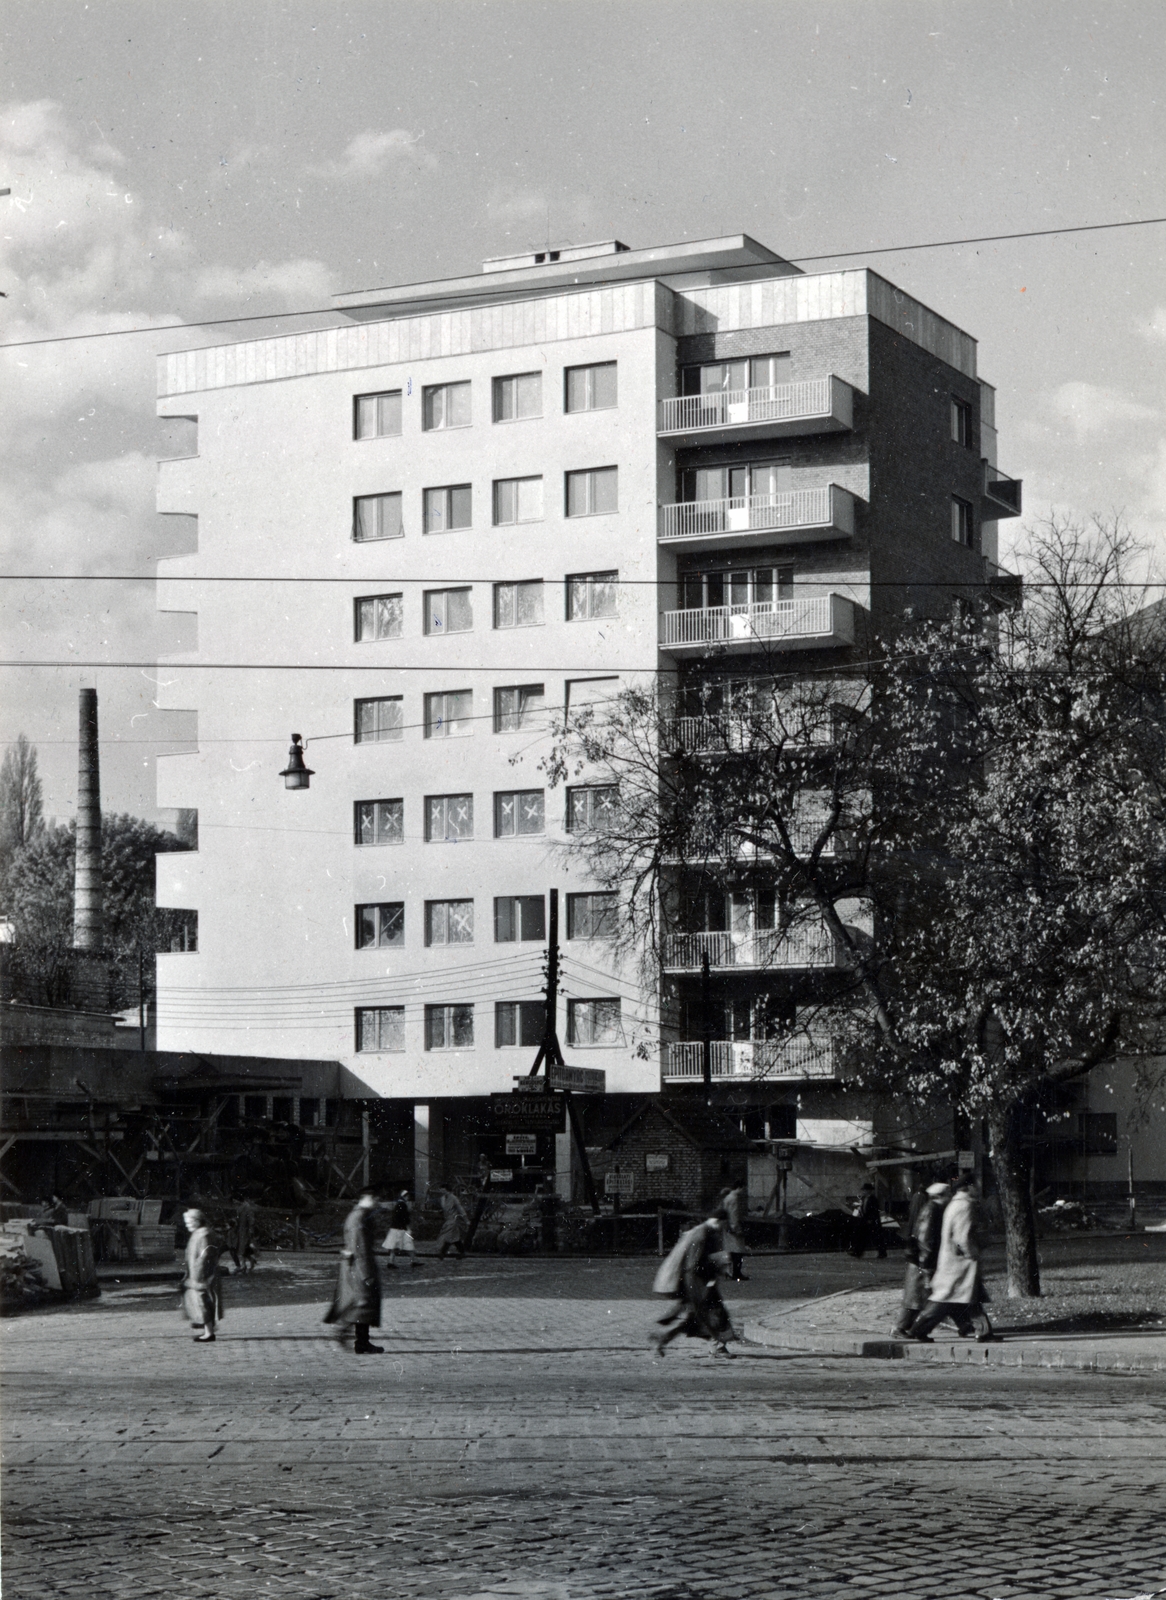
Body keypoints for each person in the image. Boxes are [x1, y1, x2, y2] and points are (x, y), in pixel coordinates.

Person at [910, 1177, 1000, 1343]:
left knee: (968, 1297)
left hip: (953, 1262)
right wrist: (972, 1254)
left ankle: (984, 1332)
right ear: (967, 1187)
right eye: (975, 1186)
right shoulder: (965, 1206)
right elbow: (962, 1236)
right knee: (946, 1300)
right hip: (959, 1263)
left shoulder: (954, 1204)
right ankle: (919, 1329)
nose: (978, 1189)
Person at [651, 1208, 738, 1357]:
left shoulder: (705, 1232)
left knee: (696, 1319)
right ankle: (718, 1348)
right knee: (713, 1315)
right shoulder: (702, 1234)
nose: (724, 1228)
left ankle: (663, 1339)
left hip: (698, 1283)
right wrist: (714, 1269)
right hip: (699, 1284)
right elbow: (695, 1264)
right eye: (724, 1224)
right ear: (719, 1221)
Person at [323, 1190, 384, 1353]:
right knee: (362, 1302)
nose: (378, 1202)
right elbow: (360, 1247)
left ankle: (362, 1342)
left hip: (356, 1266)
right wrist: (366, 1274)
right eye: (375, 1198)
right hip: (359, 1267)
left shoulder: (360, 1214)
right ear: (367, 1198)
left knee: (365, 1304)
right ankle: (342, 1331)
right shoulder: (359, 1217)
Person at [892, 1181, 950, 1338]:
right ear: (940, 1196)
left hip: (922, 1260)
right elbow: (926, 1238)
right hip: (922, 1261)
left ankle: (903, 1327)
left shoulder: (933, 1208)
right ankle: (903, 1328)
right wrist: (926, 1262)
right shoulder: (933, 1209)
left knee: (917, 1297)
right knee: (918, 1298)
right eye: (947, 1195)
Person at [181, 1208, 224, 1343]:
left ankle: (209, 1332)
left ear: (197, 1221)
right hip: (198, 1274)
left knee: (203, 1302)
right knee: (202, 1302)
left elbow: (206, 1256)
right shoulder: (200, 1233)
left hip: (201, 1275)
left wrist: (199, 1276)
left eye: (189, 1222)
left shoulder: (202, 1234)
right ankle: (207, 1328)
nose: (187, 1225)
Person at [849, 1182, 887, 1258]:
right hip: (865, 1220)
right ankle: (858, 1252)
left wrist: (871, 1219)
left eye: (865, 1190)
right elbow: (864, 1209)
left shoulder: (873, 1199)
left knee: (877, 1237)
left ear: (869, 1191)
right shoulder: (864, 1199)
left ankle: (882, 1253)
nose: (864, 1191)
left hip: (872, 1221)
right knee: (861, 1236)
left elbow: (874, 1210)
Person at [721, 1182, 749, 1281]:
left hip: (726, 1226)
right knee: (738, 1251)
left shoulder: (727, 1198)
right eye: (743, 1189)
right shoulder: (734, 1199)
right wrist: (736, 1227)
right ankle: (737, 1272)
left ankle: (730, 1271)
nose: (743, 1191)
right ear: (739, 1188)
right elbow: (734, 1214)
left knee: (731, 1250)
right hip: (733, 1227)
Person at [381, 1189, 415, 1269]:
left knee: (396, 1245)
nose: (408, 1198)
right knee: (406, 1244)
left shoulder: (398, 1204)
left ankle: (391, 1262)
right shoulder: (403, 1205)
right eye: (407, 1196)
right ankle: (412, 1261)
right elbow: (404, 1218)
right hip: (400, 1229)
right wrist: (407, 1225)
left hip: (396, 1228)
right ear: (405, 1197)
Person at [434, 1186, 469, 1259]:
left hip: (453, 1220)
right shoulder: (443, 1198)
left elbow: (460, 1209)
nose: (442, 1192)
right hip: (447, 1219)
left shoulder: (453, 1198)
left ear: (448, 1191)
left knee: (448, 1235)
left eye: (444, 1190)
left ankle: (442, 1253)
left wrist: (466, 1219)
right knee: (454, 1238)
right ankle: (462, 1253)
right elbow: (445, 1209)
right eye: (442, 1190)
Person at [234, 1197, 258, 1273]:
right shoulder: (239, 1207)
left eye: (235, 1200)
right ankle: (246, 1264)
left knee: (243, 1249)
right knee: (241, 1250)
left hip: (246, 1232)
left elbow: (251, 1220)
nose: (234, 1202)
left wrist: (250, 1231)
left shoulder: (247, 1207)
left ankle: (246, 1265)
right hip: (240, 1231)